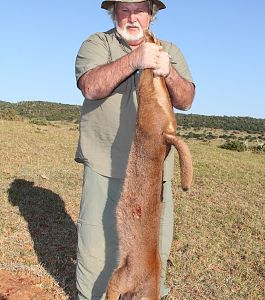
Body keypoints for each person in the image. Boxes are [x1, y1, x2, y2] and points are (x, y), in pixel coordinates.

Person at [74, 1, 195, 299]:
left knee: (150, 260)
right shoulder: (97, 43)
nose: (131, 17)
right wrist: (135, 60)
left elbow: (187, 99)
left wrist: (168, 72)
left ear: (151, 14)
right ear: (113, 12)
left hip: (153, 177)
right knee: (94, 255)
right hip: (105, 166)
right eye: (124, 9)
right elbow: (90, 87)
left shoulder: (170, 50)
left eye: (139, 10)